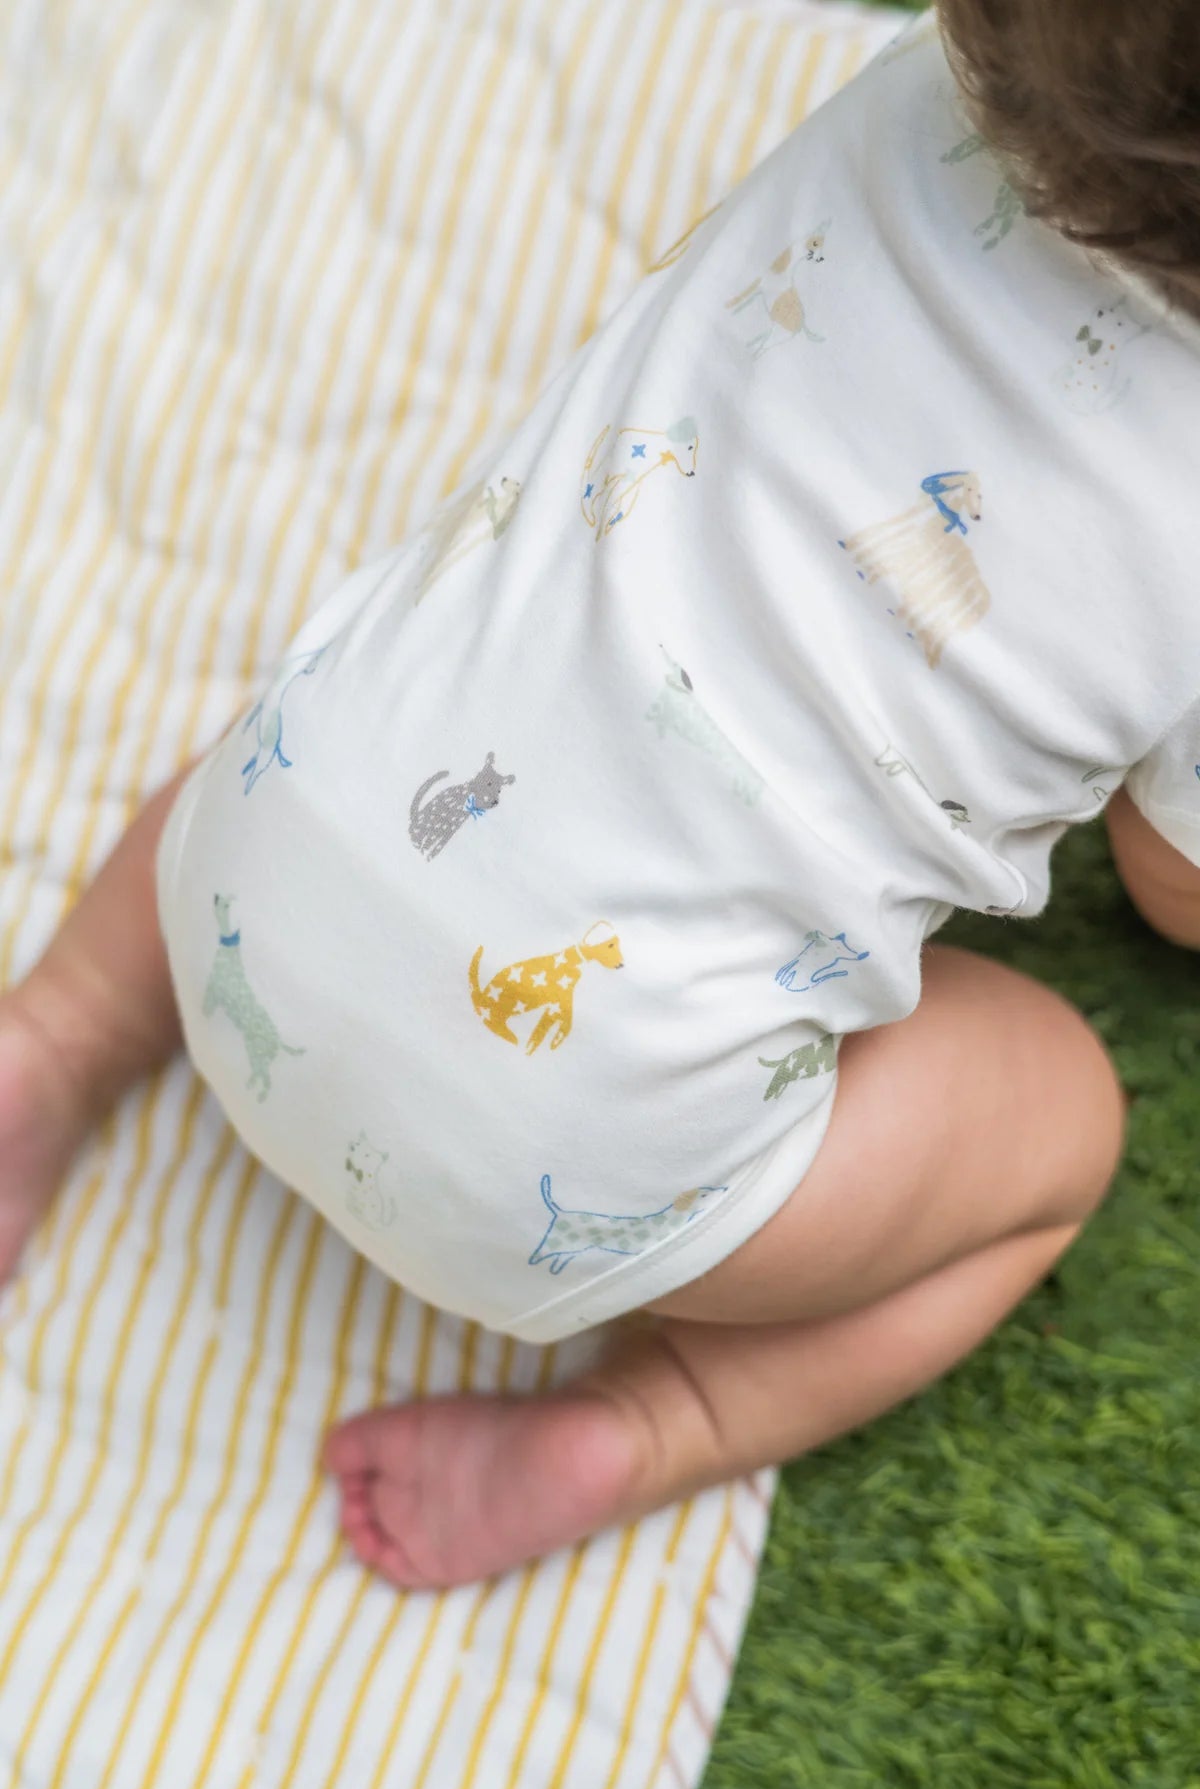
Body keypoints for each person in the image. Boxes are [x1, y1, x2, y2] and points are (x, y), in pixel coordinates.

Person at [2, 0, 1197, 1591]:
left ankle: (55, 1037)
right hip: (579, 1175)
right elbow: (1171, 887)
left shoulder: (927, 83)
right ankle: (656, 1419)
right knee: (1063, 1125)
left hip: (264, 853)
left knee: (373, 705)